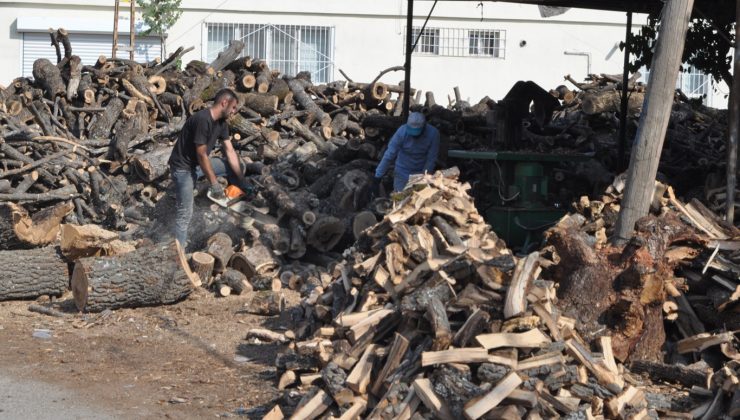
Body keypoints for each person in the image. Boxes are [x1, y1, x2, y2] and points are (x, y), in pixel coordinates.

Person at [168, 88, 249, 247]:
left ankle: (231, 196)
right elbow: (202, 154)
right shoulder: (203, 119)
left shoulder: (221, 123)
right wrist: (214, 183)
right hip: (183, 169)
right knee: (185, 214)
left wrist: (242, 180)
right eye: (233, 108)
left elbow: (230, 151)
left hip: (197, 165)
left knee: (234, 165)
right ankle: (179, 253)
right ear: (224, 103)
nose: (234, 112)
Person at [373, 111, 440, 194]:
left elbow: (431, 159)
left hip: (421, 172)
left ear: (424, 127)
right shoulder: (401, 132)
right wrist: (378, 176)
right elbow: (389, 155)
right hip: (402, 171)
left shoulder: (433, 134)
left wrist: (424, 177)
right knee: (399, 199)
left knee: (417, 200)